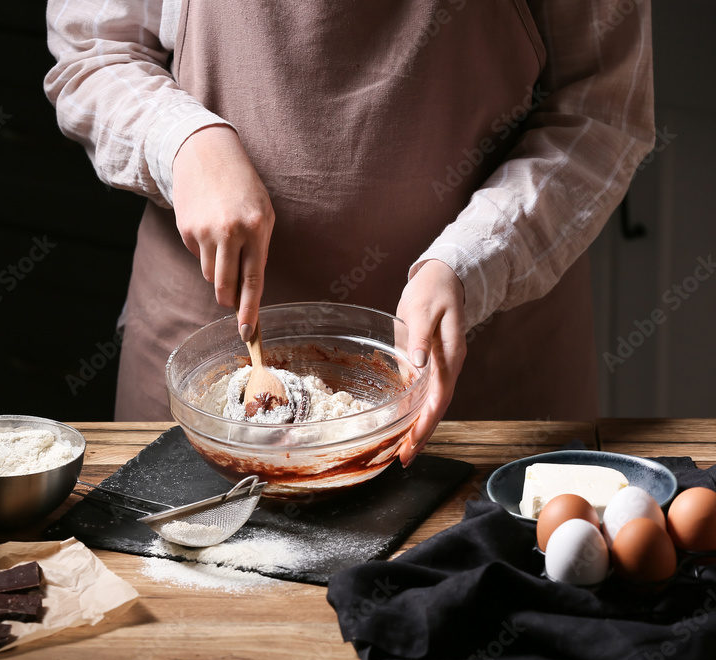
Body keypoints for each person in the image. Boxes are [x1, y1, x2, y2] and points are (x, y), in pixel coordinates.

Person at [45, 1, 654, 466]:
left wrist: (475, 261)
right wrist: (181, 139)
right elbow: (95, 52)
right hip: (204, 326)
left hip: (483, 360)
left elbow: (603, 108)